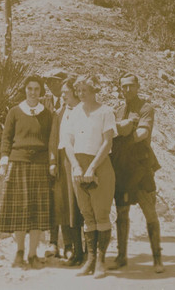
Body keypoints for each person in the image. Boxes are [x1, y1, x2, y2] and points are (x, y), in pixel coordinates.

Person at [109, 73, 164, 273]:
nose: (127, 90)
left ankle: (157, 258)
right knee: (122, 213)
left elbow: (143, 133)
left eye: (131, 86)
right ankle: (121, 256)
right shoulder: (117, 110)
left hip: (141, 168)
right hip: (122, 168)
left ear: (138, 86)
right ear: (120, 88)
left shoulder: (146, 108)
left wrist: (125, 133)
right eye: (124, 86)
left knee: (150, 212)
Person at [0, 75, 54, 269]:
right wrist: (4, 161)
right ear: (25, 90)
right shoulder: (14, 112)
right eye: (29, 88)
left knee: (37, 212)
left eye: (36, 89)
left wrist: (52, 163)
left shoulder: (47, 114)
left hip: (40, 165)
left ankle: (32, 254)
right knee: (19, 212)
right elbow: (6, 138)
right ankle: (20, 252)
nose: (32, 92)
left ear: (41, 92)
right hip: (18, 163)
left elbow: (51, 141)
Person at [65, 75, 116, 279]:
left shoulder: (105, 111)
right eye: (78, 90)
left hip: (100, 165)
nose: (80, 93)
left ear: (94, 90)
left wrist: (93, 167)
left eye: (84, 89)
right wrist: (76, 166)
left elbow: (107, 142)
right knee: (87, 214)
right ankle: (91, 259)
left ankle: (101, 261)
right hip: (78, 166)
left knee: (101, 214)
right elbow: (68, 142)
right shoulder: (74, 113)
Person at [47, 77, 84, 265]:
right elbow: (54, 138)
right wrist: (53, 161)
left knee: (80, 205)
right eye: (61, 93)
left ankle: (83, 250)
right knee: (65, 205)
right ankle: (69, 246)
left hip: (80, 161)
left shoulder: (85, 110)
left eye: (65, 93)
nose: (62, 96)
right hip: (63, 163)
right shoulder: (60, 113)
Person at [41, 69, 69, 257]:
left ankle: (69, 244)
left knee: (67, 200)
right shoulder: (45, 102)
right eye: (48, 82)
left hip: (67, 156)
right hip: (48, 157)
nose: (50, 86)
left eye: (54, 82)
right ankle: (53, 243)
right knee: (51, 201)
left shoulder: (72, 103)